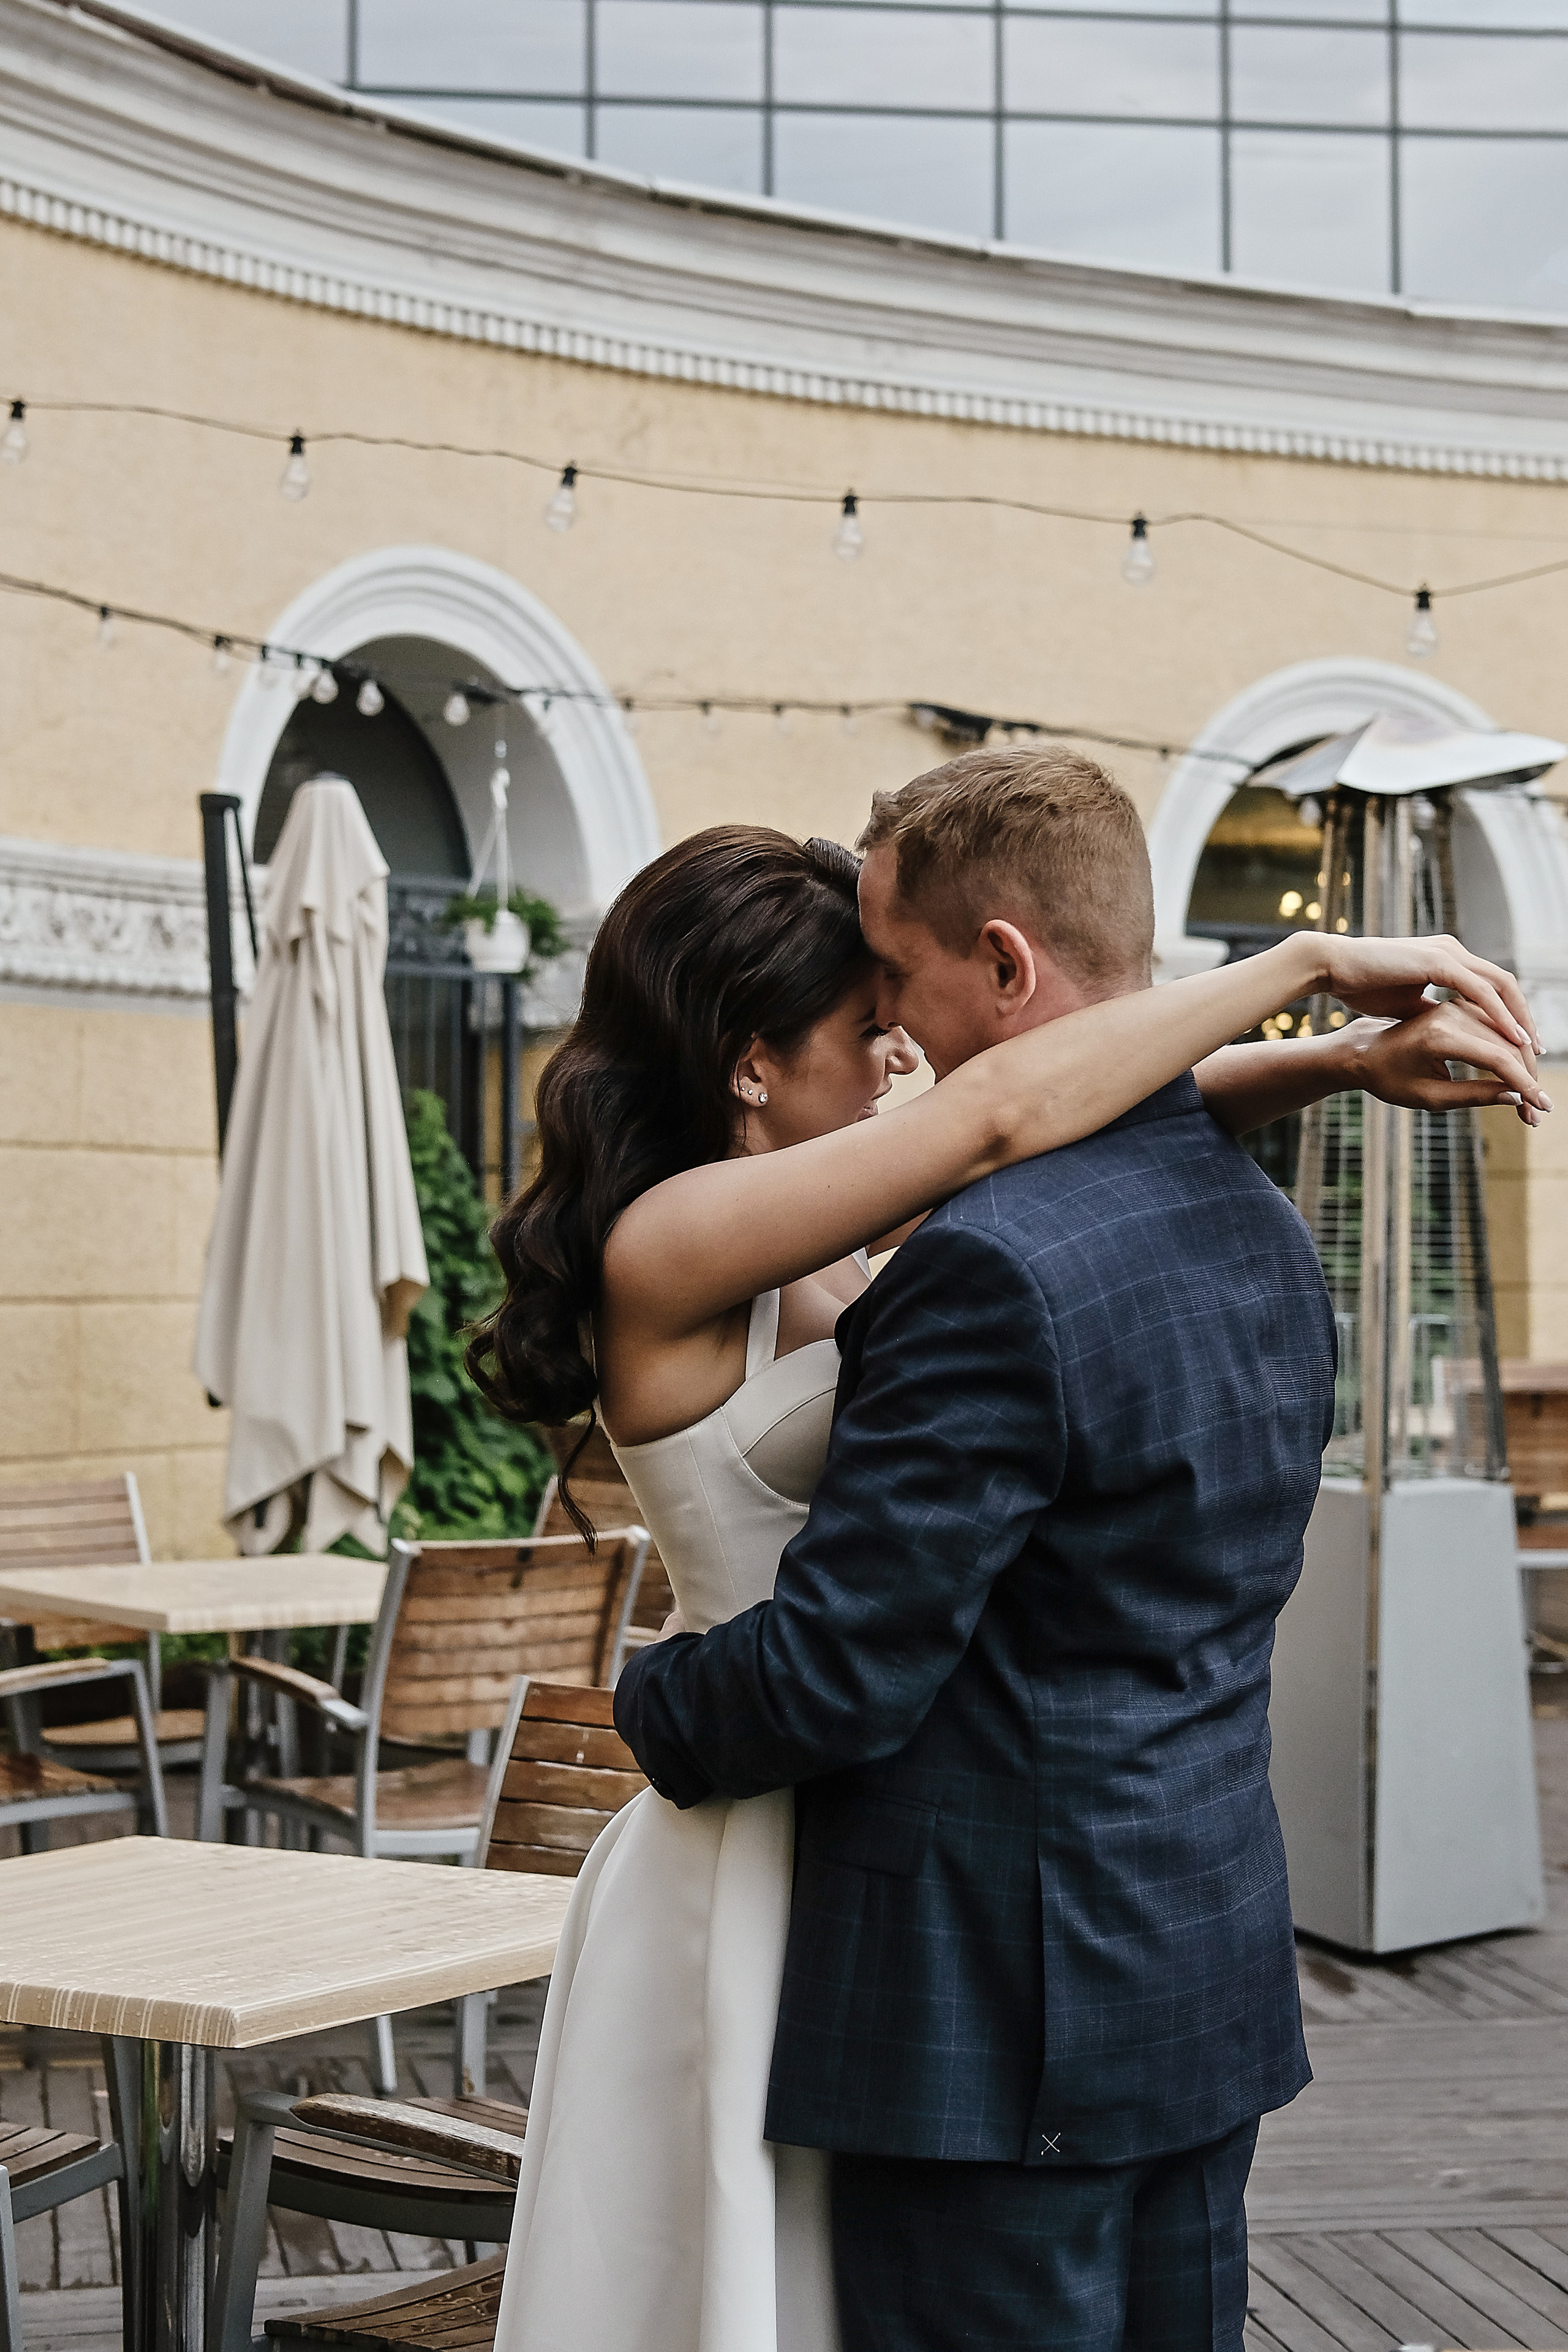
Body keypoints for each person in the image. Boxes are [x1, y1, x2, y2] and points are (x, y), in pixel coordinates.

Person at [472, 758, 1544, 2352]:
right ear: (755, 1066)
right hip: (749, 1821)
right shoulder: (675, 1245)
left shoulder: (829, 1240)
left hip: (855, 1832)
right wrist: (1305, 965)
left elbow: (1060, 1153)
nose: (900, 1051)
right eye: (865, 1026)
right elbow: (995, 1124)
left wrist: (1323, 1069)